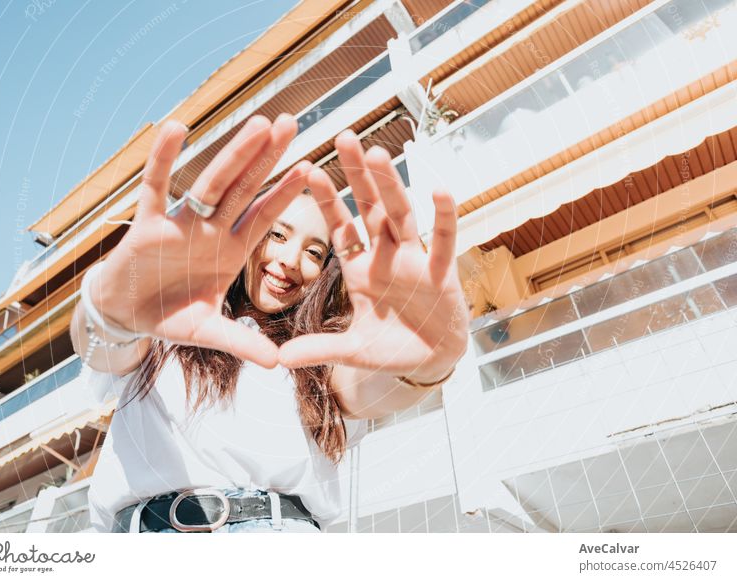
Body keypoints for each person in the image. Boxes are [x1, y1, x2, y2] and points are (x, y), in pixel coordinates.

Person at [70, 113, 469, 533]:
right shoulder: (168, 319)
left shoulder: (319, 353)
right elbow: (101, 347)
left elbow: (368, 389)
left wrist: (428, 364)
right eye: (278, 235)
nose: (290, 261)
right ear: (249, 235)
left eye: (315, 253)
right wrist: (110, 308)